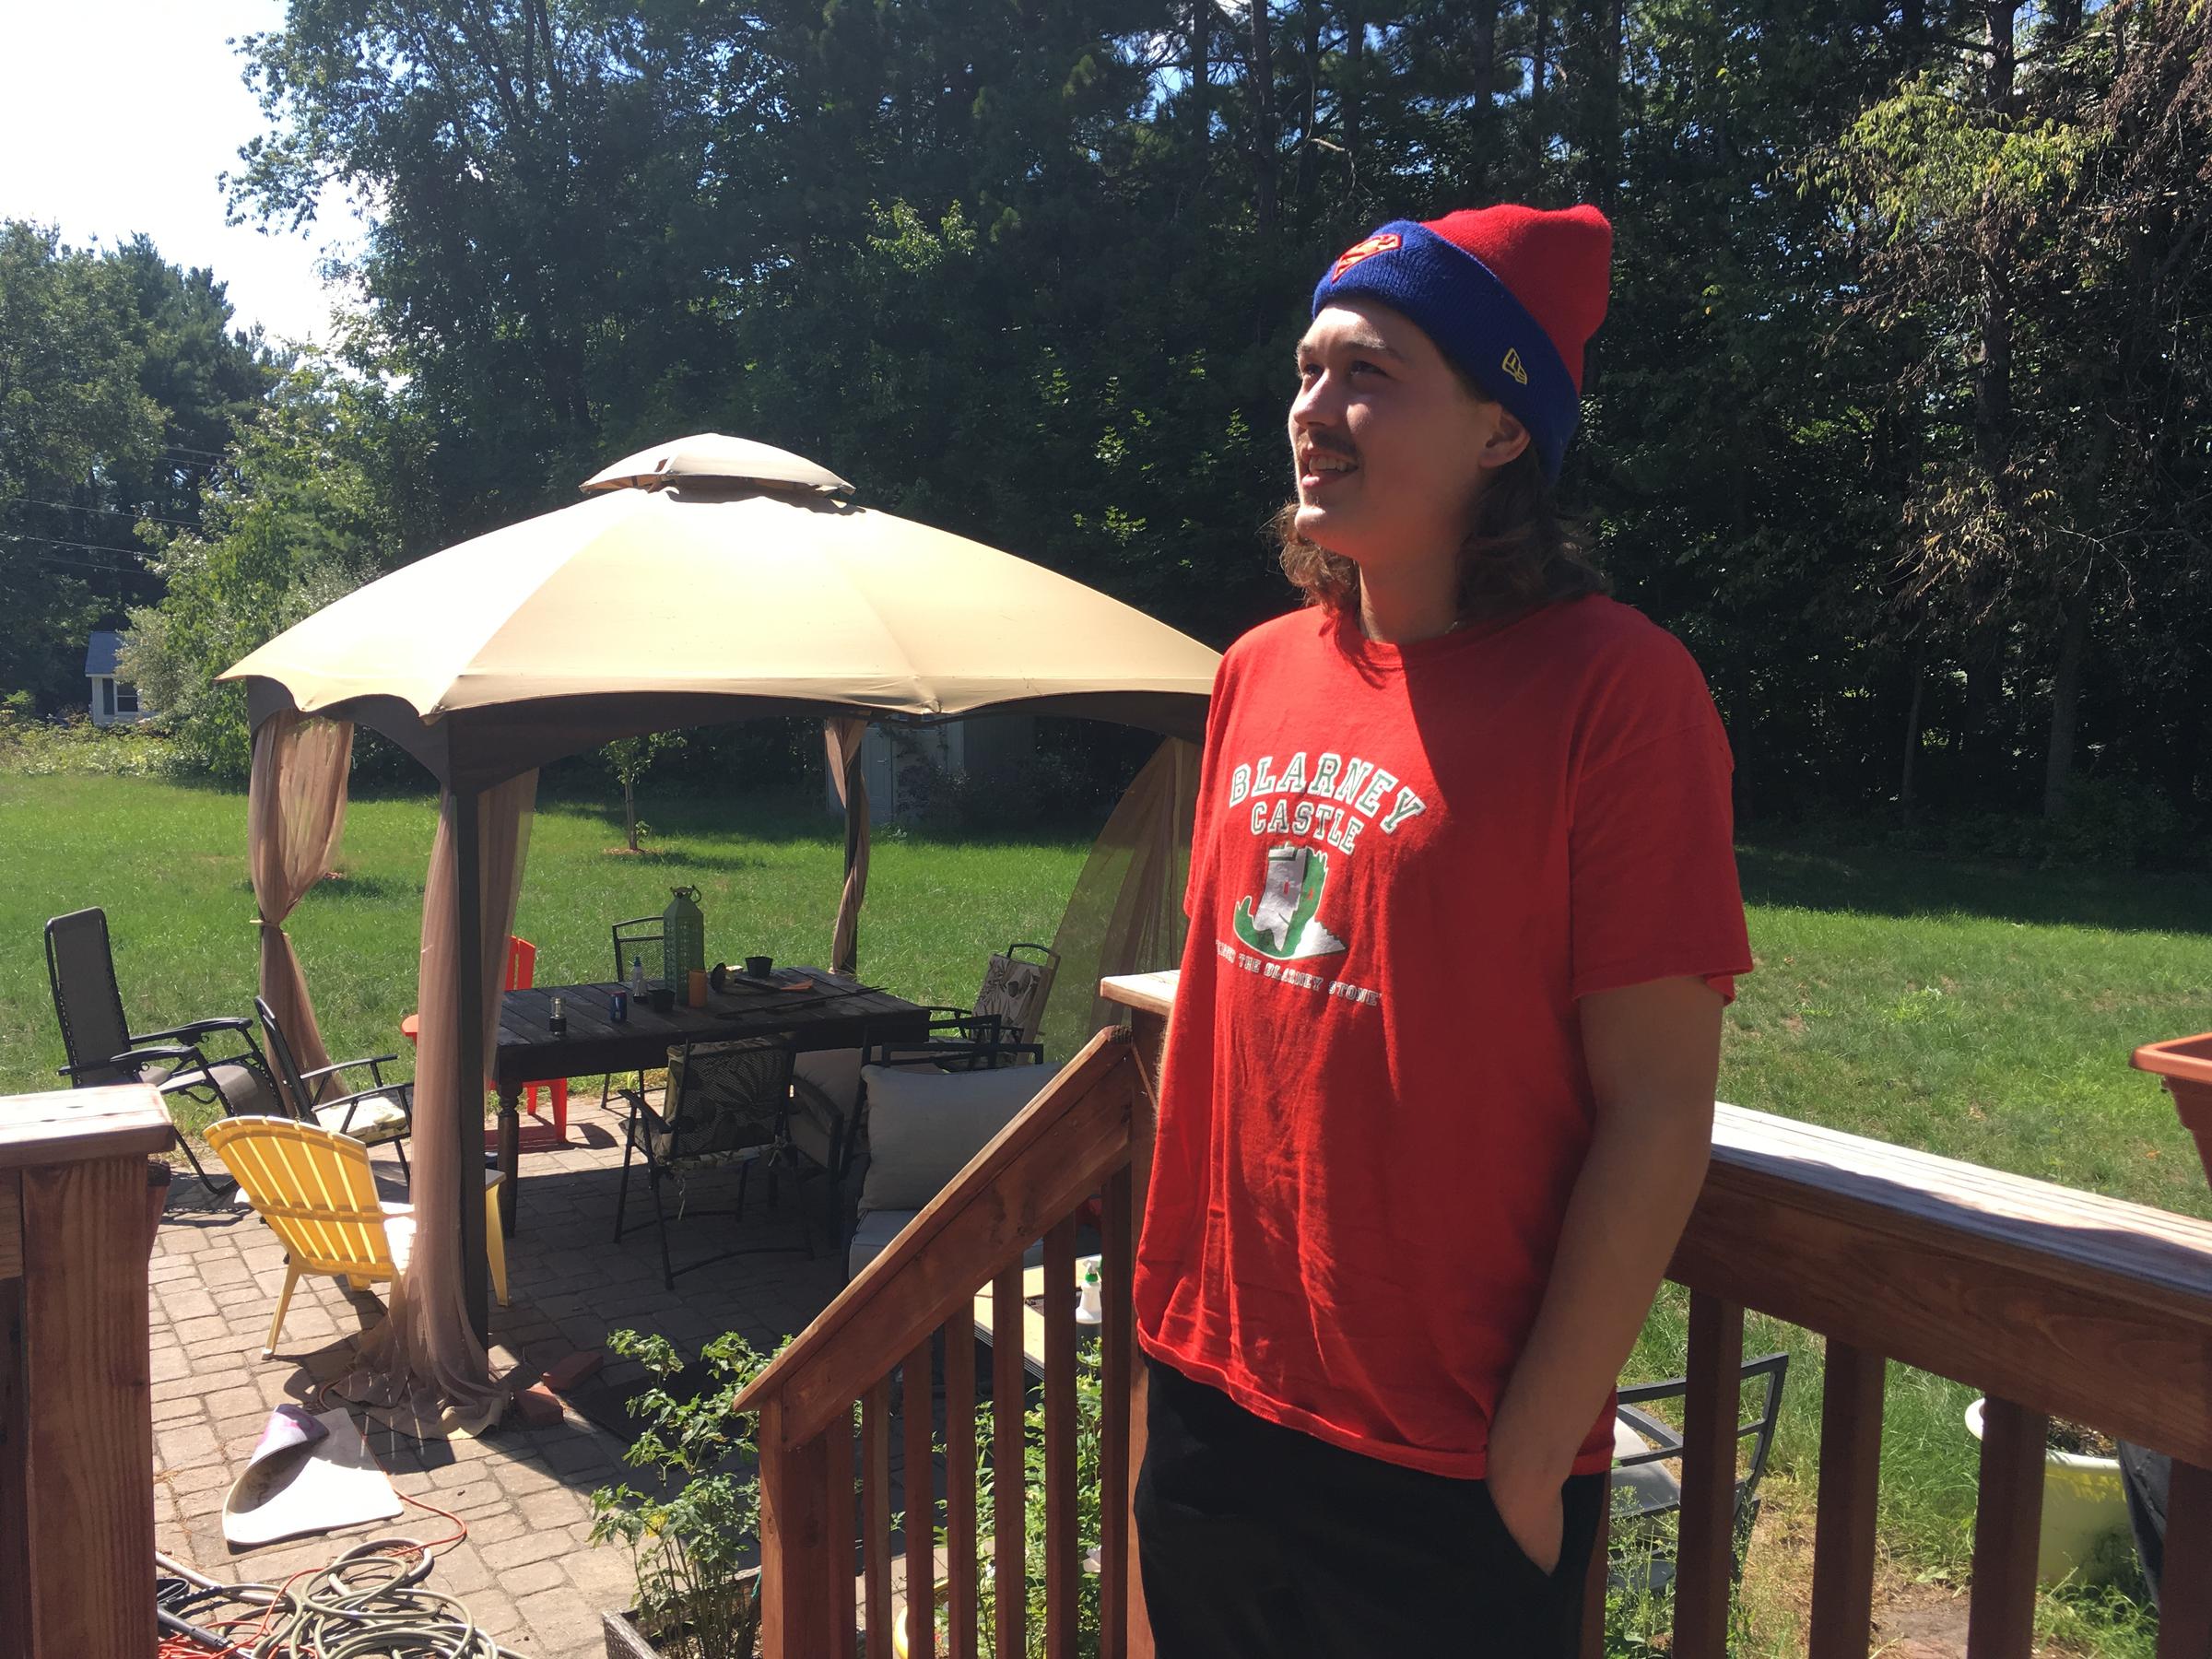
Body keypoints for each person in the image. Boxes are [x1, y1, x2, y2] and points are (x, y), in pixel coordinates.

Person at [1130, 203, 1755, 1656]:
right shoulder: (1255, 673)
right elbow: (1243, 1016)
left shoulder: (1619, 692)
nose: (1313, 410)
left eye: (1371, 372)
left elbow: (1659, 1106)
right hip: (1218, 1409)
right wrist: (1175, 1353)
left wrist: (1530, 1458)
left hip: (1443, 1467)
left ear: (1500, 431)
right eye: (1306, 369)